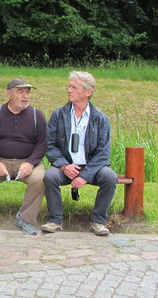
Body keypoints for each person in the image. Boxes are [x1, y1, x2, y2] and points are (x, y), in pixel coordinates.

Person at [42, 71, 118, 236]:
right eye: (69, 87)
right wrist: (63, 165)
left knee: (110, 177)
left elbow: (103, 153)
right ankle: (54, 220)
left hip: (92, 167)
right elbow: (50, 145)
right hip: (66, 165)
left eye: (74, 87)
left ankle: (98, 222)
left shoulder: (101, 119)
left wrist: (86, 175)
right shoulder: (58, 115)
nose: (69, 90)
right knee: (50, 176)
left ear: (88, 92)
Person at [0, 78, 48, 235]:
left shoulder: (36, 116)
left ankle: (25, 219)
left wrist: (31, 163)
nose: (25, 96)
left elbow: (42, 144)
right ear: (8, 94)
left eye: (27, 92)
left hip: (27, 162)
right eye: (20, 92)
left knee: (40, 179)